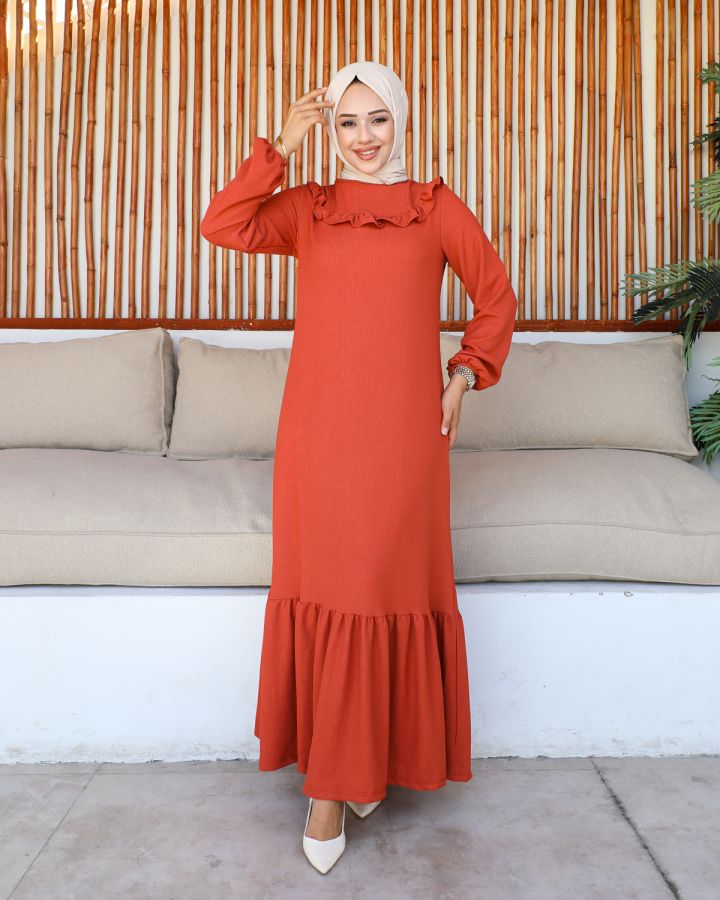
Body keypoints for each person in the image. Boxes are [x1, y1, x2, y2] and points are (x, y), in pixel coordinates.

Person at [200, 60, 518, 875]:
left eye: (377, 119)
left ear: (401, 120)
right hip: (318, 438)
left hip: (405, 440)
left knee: (380, 589)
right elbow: (222, 224)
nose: (365, 137)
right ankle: (334, 785)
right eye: (347, 121)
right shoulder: (309, 209)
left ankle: (354, 773)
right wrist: (279, 147)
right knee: (333, 590)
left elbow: (495, 295)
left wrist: (464, 374)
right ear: (330, 130)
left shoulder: (435, 208)